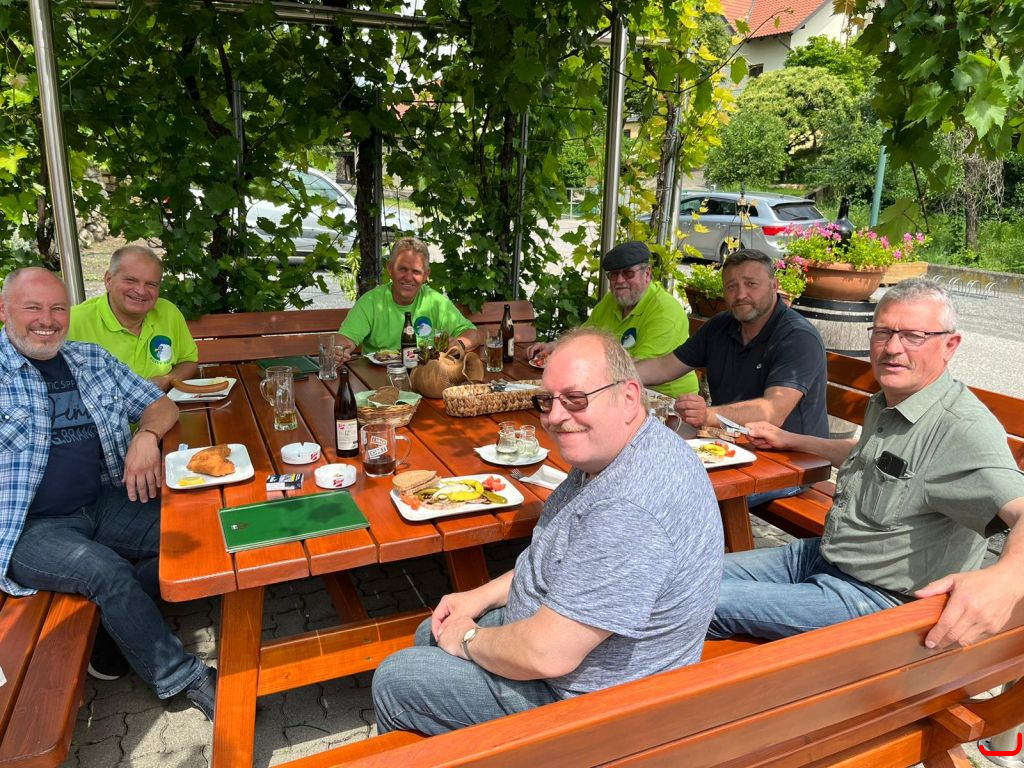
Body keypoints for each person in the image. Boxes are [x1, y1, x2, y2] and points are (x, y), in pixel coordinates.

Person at [371, 327, 723, 735]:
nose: (555, 417)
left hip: (596, 711)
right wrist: (478, 596)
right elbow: (555, 558)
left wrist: (468, 639)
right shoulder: (616, 451)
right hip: (572, 657)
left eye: (575, 399)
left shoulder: (630, 506)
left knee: (398, 679)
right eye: (547, 401)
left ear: (628, 397)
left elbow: (547, 654)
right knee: (431, 631)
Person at [708, 278, 1024, 651]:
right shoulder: (891, 399)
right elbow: (876, 457)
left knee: (691, 604)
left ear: (950, 345)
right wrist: (791, 440)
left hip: (874, 596)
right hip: (821, 556)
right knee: (680, 578)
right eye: (883, 332)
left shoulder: (961, 429)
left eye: (914, 336)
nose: (892, 348)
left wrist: (1007, 579)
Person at [0, 267, 217, 719]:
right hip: (28, 528)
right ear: (4, 310)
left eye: (58, 308)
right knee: (107, 572)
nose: (48, 319)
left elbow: (160, 405)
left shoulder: (89, 359)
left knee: (199, 533)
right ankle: (184, 677)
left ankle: (114, 622)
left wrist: (147, 437)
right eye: (33, 307)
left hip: (102, 501)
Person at [636, 248, 828, 439]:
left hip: (790, 453)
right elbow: (665, 366)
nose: (740, 294)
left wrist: (708, 415)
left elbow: (773, 411)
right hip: (729, 441)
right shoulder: (720, 325)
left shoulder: (797, 337)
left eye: (751, 284)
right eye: (731, 286)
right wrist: (620, 378)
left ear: (774, 285)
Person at [528, 241, 698, 398]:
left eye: (628, 273)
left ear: (647, 274)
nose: (620, 281)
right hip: (617, 388)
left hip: (665, 401)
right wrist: (553, 347)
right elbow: (584, 338)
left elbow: (638, 368)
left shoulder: (664, 311)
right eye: (614, 275)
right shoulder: (612, 300)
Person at [67, 245, 198, 392]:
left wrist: (167, 380)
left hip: (164, 403)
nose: (141, 291)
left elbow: (188, 360)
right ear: (108, 280)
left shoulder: (168, 312)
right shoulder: (73, 321)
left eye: (151, 284)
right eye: (130, 280)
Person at [335, 237, 483, 361]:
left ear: (426, 275)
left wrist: (459, 344)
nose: (408, 277)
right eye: (403, 269)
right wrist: (339, 350)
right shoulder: (371, 302)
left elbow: (473, 334)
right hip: (378, 379)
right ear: (390, 268)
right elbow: (345, 339)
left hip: (425, 376)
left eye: (416, 272)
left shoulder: (436, 302)